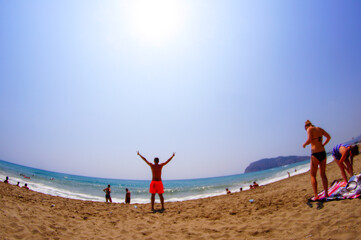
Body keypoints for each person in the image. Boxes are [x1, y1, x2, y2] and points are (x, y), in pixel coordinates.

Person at [303, 120, 331, 200]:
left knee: (313, 175)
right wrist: (323, 144)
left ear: (306, 127)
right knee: (323, 174)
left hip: (315, 154)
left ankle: (316, 195)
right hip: (322, 152)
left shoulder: (309, 129)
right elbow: (328, 137)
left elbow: (309, 140)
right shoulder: (319, 129)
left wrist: (304, 144)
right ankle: (326, 193)